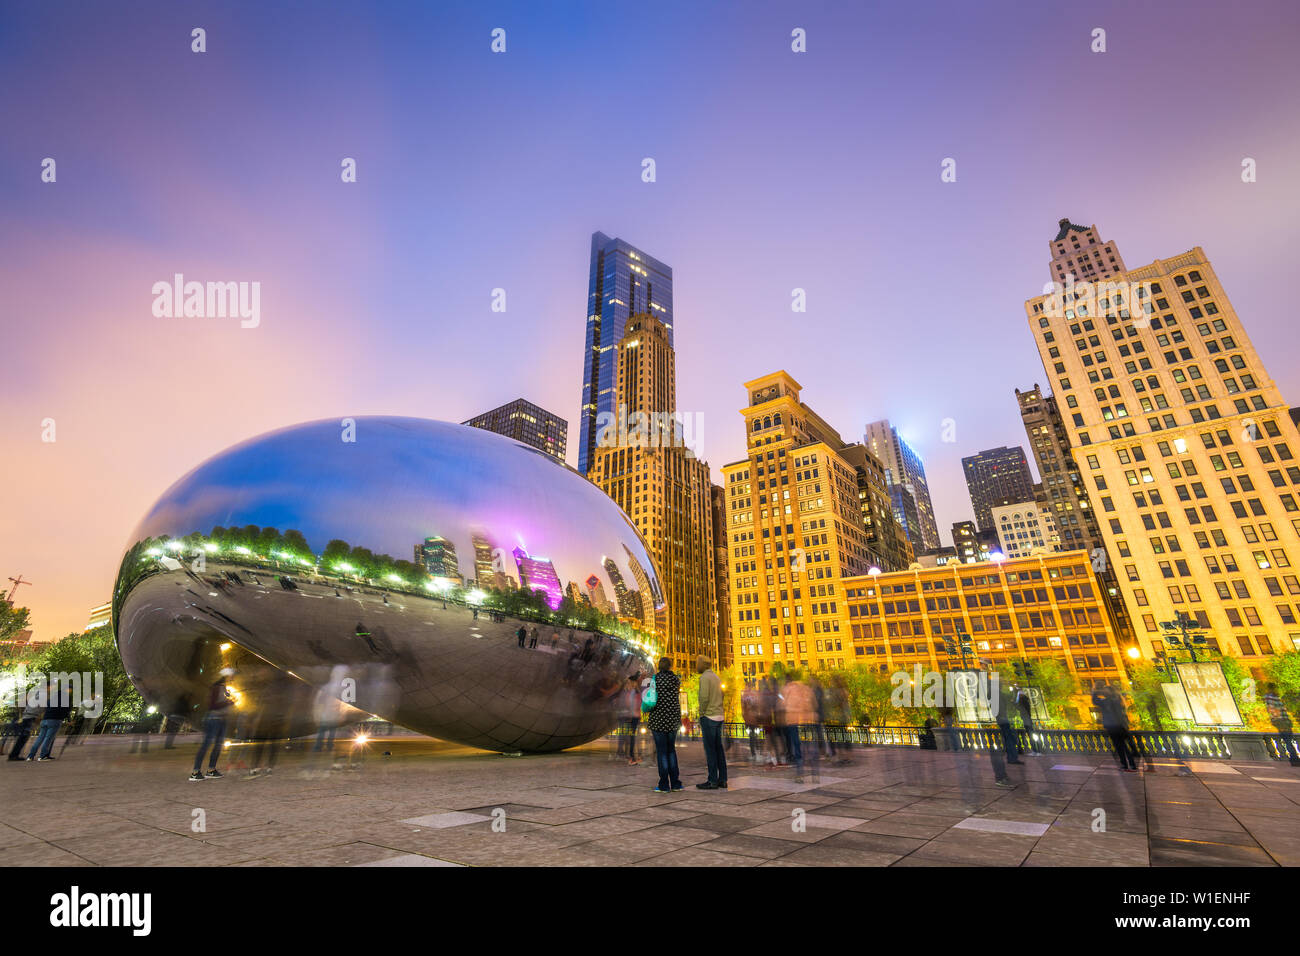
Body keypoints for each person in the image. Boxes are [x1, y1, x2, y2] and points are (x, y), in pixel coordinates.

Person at [645, 658, 683, 793]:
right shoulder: (676, 680)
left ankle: (664, 784)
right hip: (673, 719)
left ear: (659, 666)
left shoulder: (655, 679)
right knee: (671, 750)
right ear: (670, 666)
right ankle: (676, 783)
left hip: (658, 720)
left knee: (661, 752)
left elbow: (650, 697)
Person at [190, 670, 235, 781]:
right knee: (206, 745)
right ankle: (195, 772)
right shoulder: (216, 687)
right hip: (214, 719)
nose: (232, 678)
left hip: (222, 719)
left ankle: (211, 770)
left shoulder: (224, 688)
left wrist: (230, 701)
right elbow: (212, 705)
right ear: (226, 676)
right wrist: (228, 702)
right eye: (231, 676)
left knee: (218, 746)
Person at [695, 655, 727, 790]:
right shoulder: (716, 677)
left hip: (709, 716)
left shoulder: (704, 678)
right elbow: (722, 695)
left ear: (703, 664)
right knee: (719, 749)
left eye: (697, 663)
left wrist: (701, 713)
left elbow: (703, 698)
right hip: (719, 716)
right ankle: (723, 779)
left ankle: (712, 780)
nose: (696, 666)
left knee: (710, 750)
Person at [781, 670, 818, 783]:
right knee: (810, 746)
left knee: (797, 747)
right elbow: (815, 704)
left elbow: (782, 704)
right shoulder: (805, 688)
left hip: (793, 721)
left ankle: (800, 773)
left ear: (787, 680)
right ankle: (815, 773)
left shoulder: (786, 689)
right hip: (808, 719)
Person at [1093, 683, 1139, 772]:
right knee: (1124, 746)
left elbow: (1095, 700)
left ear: (1109, 692)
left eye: (1105, 690)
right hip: (1121, 726)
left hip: (1113, 727)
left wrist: (1094, 690)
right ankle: (1132, 765)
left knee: (1119, 747)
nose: (1103, 692)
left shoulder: (1107, 701)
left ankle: (1125, 765)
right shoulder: (1118, 699)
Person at [1263, 683, 1300, 766]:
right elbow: (1273, 710)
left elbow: (1273, 710)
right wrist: (1278, 720)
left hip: (1283, 721)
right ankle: (1294, 759)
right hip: (1282, 721)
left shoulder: (1273, 697)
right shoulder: (1271, 697)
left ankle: (1294, 759)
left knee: (1288, 741)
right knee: (1288, 741)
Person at [1015, 685, 1041, 756]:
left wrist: (1014, 704)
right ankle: (1037, 750)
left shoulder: (1023, 701)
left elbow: (1020, 708)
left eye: (1019, 695)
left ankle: (1035, 750)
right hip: (1027, 719)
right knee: (1031, 734)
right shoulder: (1025, 701)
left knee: (1031, 735)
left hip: (1026, 719)